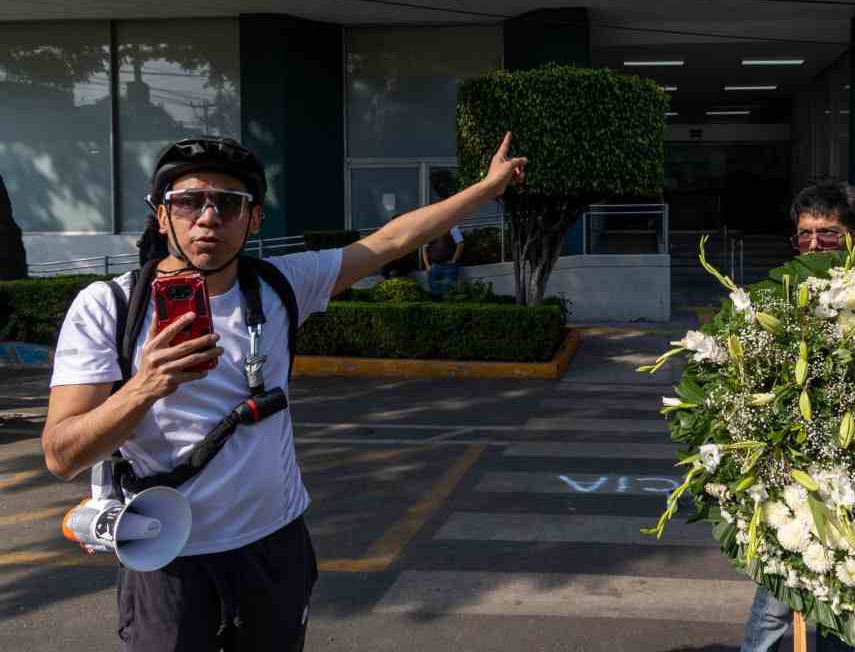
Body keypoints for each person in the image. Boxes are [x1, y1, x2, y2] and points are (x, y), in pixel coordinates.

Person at [42, 133, 526, 651]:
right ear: (162, 216)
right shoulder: (107, 307)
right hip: (164, 554)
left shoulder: (283, 285)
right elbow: (61, 454)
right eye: (188, 202)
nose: (208, 218)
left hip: (273, 546)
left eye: (229, 203)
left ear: (253, 220)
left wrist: (486, 189)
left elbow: (390, 241)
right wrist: (141, 388)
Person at [746, 178, 855, 652]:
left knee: (853, 598)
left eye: (828, 234)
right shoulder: (778, 297)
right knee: (778, 599)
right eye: (805, 235)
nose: (815, 245)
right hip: (794, 478)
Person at [421, 225, 465, 296]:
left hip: (449, 266)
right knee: (435, 292)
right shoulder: (430, 230)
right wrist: (427, 265)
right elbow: (424, 248)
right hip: (434, 266)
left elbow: (460, 244)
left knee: (448, 292)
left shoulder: (452, 227)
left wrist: (454, 260)